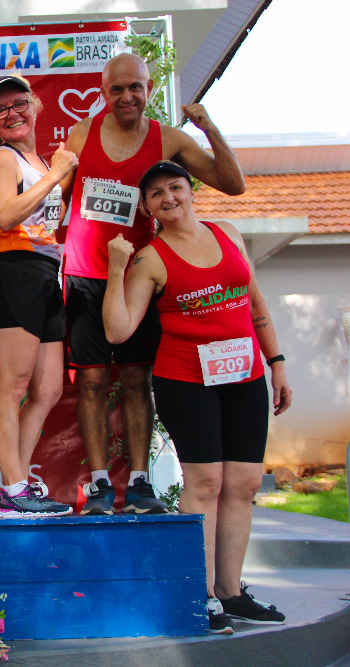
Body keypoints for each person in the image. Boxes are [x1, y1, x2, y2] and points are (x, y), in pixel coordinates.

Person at [103, 159, 291, 634]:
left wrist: (277, 363)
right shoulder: (150, 258)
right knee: (205, 483)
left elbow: (254, 302)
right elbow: (118, 329)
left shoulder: (228, 232)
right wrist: (115, 268)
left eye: (176, 187)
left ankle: (230, 591)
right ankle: (199, 594)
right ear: (147, 208)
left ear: (191, 191)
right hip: (186, 381)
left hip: (245, 377)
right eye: (156, 194)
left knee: (245, 483)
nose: (169, 198)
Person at [62, 52, 245, 515]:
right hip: (87, 272)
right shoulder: (83, 134)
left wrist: (211, 130)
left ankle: (140, 482)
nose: (127, 97)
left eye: (136, 88)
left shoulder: (169, 139)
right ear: (104, 93)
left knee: (138, 377)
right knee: (92, 380)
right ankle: (102, 482)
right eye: (117, 89)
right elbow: (57, 193)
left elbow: (232, 184)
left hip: (142, 276)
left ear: (148, 89)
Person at [0, 76, 77, 517]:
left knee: (49, 387)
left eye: (19, 104)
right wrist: (56, 174)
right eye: (0, 110)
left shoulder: (42, 159)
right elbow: (5, 214)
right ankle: (15, 489)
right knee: (12, 386)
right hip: (15, 270)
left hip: (46, 273)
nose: (12, 114)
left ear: (35, 106)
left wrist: (58, 173)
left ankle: (15, 484)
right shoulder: (5, 158)